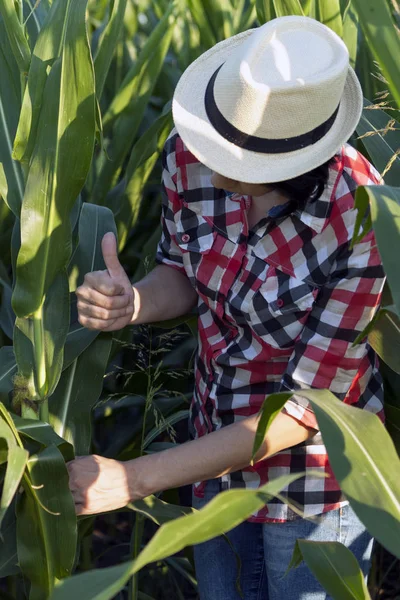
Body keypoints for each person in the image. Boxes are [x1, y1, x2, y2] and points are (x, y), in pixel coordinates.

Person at [68, 16, 386, 600]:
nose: (211, 170)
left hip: (312, 484)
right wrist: (132, 302)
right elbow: (184, 275)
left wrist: (133, 478)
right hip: (208, 446)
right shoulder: (190, 155)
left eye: (240, 170)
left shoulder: (362, 218)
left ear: (301, 168)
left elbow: (302, 410)